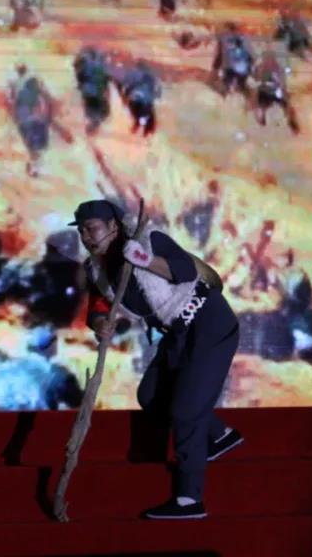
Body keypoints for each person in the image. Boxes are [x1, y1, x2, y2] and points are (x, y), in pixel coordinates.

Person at [72, 200, 243, 519]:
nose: (86, 237)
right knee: (151, 395)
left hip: (209, 323)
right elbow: (99, 305)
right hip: (177, 334)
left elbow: (185, 270)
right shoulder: (97, 268)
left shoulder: (148, 239)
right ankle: (220, 435)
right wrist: (101, 324)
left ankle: (189, 500)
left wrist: (145, 260)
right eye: (81, 231)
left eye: (91, 229)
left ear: (112, 226)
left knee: (186, 411)